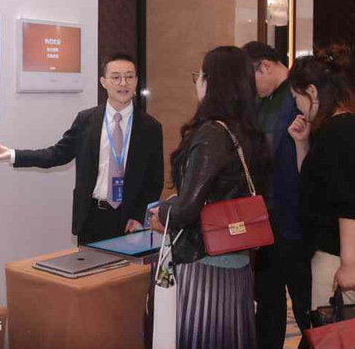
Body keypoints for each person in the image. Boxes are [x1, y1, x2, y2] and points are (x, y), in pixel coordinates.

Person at [149, 46, 269, 349]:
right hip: (238, 262)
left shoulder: (212, 133)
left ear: (212, 82)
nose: (197, 83)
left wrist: (163, 211)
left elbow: (187, 209)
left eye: (199, 75)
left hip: (205, 264)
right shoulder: (249, 132)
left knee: (204, 336)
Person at [0, 53, 164, 244]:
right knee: (89, 264)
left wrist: (138, 215)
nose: (123, 83)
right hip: (91, 216)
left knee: (125, 266)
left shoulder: (150, 127)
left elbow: (154, 180)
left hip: (129, 221)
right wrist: (13, 154)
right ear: (103, 82)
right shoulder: (86, 120)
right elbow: (57, 154)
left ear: (136, 81)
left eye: (129, 77)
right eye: (116, 77)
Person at [241, 41, 311, 349]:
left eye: (251, 77)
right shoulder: (261, 102)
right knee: (267, 300)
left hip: (296, 218)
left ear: (265, 66)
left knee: (305, 302)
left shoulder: (300, 94)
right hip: (264, 218)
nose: (250, 87)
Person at [287, 54, 355, 311]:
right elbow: (314, 184)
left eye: (297, 98)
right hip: (334, 252)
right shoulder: (333, 129)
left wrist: (349, 264)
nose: (298, 107)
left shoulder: (339, 131)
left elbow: (348, 201)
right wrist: (302, 143)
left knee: (333, 327)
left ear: (312, 91)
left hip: (336, 256)